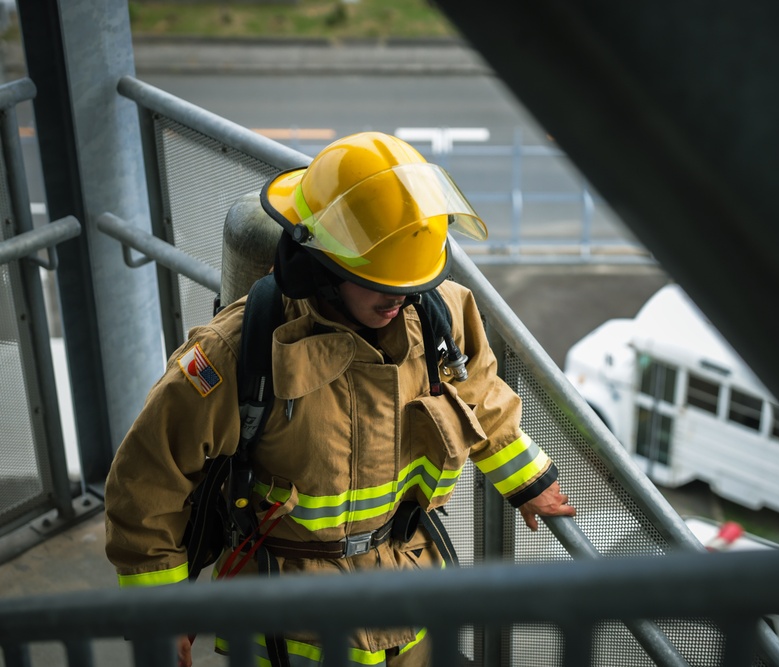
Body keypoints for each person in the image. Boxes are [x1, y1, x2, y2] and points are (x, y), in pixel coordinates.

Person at [104, 131, 576, 667]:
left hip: (409, 591)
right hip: (293, 624)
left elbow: (481, 396)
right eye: (378, 282)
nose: (398, 300)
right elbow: (148, 481)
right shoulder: (234, 352)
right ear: (319, 265)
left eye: (409, 284)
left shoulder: (441, 315)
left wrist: (531, 481)